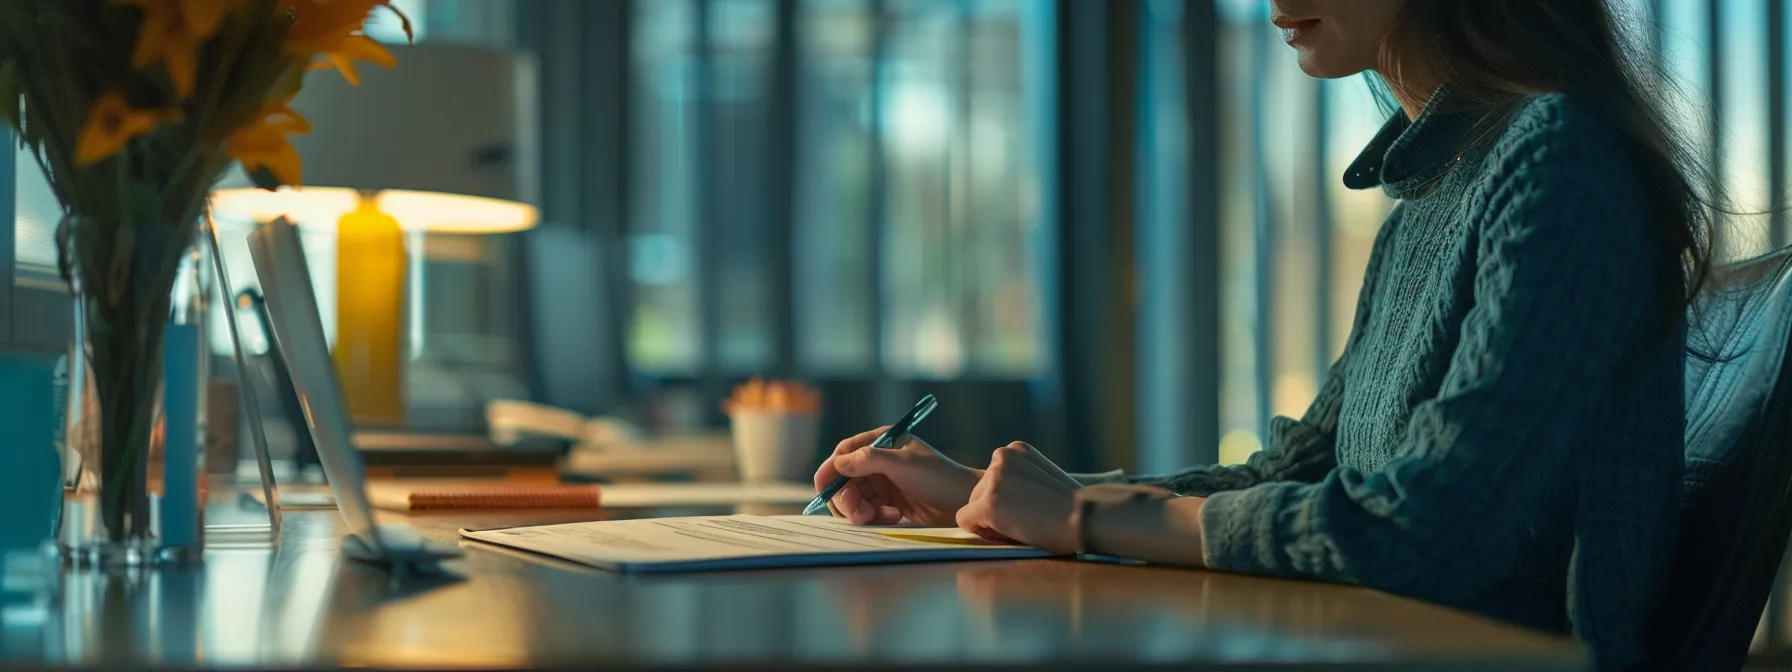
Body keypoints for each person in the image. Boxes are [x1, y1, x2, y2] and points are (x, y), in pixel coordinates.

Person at [813, 1, 1715, 669]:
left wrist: (1085, 516)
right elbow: (1294, 471)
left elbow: (1430, 530)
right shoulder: (1431, 195)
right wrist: (990, 493)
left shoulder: (1560, 159)